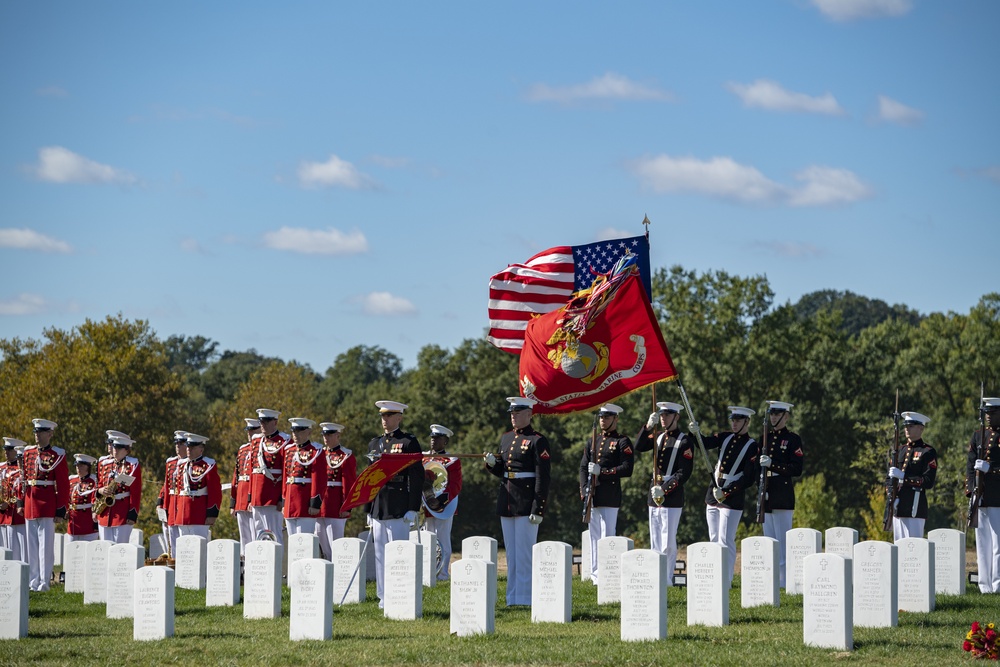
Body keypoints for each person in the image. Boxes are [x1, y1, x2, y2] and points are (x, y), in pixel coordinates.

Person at [484, 396, 551, 606]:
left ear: (529, 415)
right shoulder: (506, 438)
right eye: (512, 413)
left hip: (525, 501)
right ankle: (512, 597)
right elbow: (504, 471)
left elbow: (543, 476)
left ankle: (526, 597)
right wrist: (492, 465)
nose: (513, 417)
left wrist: (538, 507)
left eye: (518, 413)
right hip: (508, 500)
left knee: (524, 553)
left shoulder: (537, 440)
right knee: (512, 555)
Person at [692, 406, 759, 589]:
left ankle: (727, 579)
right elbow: (704, 443)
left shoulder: (752, 445)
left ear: (747, 422)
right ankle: (715, 575)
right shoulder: (725, 436)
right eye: (733, 420)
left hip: (732, 496)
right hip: (714, 491)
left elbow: (748, 478)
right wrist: (695, 433)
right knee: (713, 537)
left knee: (725, 538)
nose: (734, 423)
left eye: (738, 420)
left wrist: (727, 490)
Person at [366, 400, 422, 608]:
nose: (385, 420)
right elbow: (368, 478)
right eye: (382, 416)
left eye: (389, 416)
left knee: (398, 552)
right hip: (379, 504)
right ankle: (383, 596)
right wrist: (368, 508)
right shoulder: (374, 444)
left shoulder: (408, 442)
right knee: (380, 553)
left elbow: (416, 477)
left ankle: (400, 592)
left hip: (399, 504)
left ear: (399, 417)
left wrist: (413, 507)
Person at [634, 401, 693, 586]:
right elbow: (639, 446)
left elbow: (684, 472)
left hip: (672, 494)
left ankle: (667, 577)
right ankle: (655, 574)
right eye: (661, 415)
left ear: (676, 417)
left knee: (668, 540)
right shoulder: (658, 436)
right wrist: (647, 427)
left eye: (667, 415)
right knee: (655, 538)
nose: (663, 418)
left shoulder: (684, 440)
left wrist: (665, 488)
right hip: (654, 491)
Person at [579, 403, 634, 584]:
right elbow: (582, 467)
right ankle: (595, 574)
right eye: (602, 417)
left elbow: (627, 469)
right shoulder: (592, 441)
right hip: (593, 495)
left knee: (607, 535)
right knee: (594, 536)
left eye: (607, 417)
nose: (603, 420)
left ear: (616, 419)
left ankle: (608, 572)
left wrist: (602, 471)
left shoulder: (622, 442)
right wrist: (584, 489)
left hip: (610, 495)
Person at [20, 418, 70, 591]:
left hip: (47, 503)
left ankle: (44, 581)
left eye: (41, 432)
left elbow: (63, 484)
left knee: (45, 546)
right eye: (36, 432)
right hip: (30, 502)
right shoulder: (28, 452)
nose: (37, 435)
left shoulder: (57, 454)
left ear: (49, 434)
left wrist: (61, 508)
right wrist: (21, 501)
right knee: (31, 546)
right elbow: (23, 479)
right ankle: (33, 580)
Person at [758, 400, 804, 588]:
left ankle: (784, 582)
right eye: (772, 414)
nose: (774, 417)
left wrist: (773, 465)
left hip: (782, 492)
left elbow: (796, 469)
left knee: (783, 541)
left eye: (778, 414)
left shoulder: (793, 439)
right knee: (768, 539)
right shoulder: (764, 438)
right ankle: (771, 581)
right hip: (766, 490)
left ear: (786, 416)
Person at [422, 424, 462, 581]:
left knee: (443, 538)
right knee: (428, 537)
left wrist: (440, 502)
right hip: (426, 502)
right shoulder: (424, 458)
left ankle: (443, 573)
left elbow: (455, 485)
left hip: (443, 504)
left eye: (437, 438)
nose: (433, 441)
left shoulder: (452, 460)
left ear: (445, 441)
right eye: (432, 438)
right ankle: (430, 571)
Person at [888, 411, 937, 540]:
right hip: (898, 505)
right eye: (905, 426)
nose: (906, 429)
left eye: (911, 426)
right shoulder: (900, 450)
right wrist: (890, 495)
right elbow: (889, 478)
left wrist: (904, 478)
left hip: (914, 504)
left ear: (921, 428)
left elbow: (928, 481)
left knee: (914, 549)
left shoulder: (927, 451)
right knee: (898, 546)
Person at [968, 397, 1000, 593]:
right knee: (982, 543)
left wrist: (991, 470)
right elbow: (970, 466)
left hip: (998, 497)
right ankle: (984, 585)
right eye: (986, 414)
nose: (988, 417)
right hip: (980, 496)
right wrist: (972, 489)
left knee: (998, 544)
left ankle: (997, 584)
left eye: (993, 414)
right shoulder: (978, 436)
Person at [315, 422, 356, 561]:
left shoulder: (346, 455)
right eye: (324, 435)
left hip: (335, 505)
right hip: (320, 505)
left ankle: (339, 573)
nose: (326, 438)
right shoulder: (320, 453)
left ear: (338, 435)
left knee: (335, 543)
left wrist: (347, 506)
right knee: (322, 543)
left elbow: (349, 483)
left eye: (330, 434)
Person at [250, 408, 288, 546]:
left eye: (266, 421)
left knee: (274, 534)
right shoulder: (256, 441)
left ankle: (276, 566)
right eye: (261, 421)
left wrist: (281, 498)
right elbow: (252, 471)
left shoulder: (284, 441)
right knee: (258, 534)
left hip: (272, 496)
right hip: (256, 496)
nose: (263, 425)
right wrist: (250, 497)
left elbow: (286, 472)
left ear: (275, 422)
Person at [282, 418, 327, 537]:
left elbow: (319, 479)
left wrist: (315, 503)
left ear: (308, 432)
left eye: (300, 431)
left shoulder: (316, 451)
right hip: (290, 503)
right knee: (292, 542)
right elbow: (286, 478)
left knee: (304, 541)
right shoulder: (288, 450)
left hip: (305, 502)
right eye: (294, 432)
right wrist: (284, 501)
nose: (296, 435)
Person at [95, 434, 142, 544]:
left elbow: (135, 491)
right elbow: (98, 485)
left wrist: (132, 512)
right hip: (105, 511)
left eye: (118, 448)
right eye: (114, 447)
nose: (115, 450)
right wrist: (100, 491)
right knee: (105, 547)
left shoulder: (132, 464)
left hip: (122, 512)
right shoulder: (104, 463)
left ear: (126, 450)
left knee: (120, 547)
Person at [174, 433, 222, 539]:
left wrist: (212, 514)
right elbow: (178, 490)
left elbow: (215, 491)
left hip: (198, 513)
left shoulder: (208, 465)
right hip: (182, 512)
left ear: (201, 448)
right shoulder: (182, 465)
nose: (188, 449)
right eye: (188, 446)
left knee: (199, 546)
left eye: (192, 446)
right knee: (184, 548)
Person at [231, 417, 260, 556]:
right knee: (244, 537)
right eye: (248, 430)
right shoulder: (243, 449)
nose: (250, 433)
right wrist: (233, 502)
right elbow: (235, 476)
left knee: (255, 535)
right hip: (241, 497)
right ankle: (244, 567)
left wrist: (251, 499)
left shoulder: (261, 447)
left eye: (253, 430)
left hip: (252, 495)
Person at [157, 431, 188, 557]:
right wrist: (160, 502)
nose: (177, 446)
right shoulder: (171, 463)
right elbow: (166, 485)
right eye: (176, 444)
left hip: (182, 504)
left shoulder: (190, 462)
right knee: (170, 539)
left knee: (182, 538)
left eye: (181, 444)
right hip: (170, 504)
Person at [0, 438, 27, 561]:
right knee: (5, 550)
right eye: (5, 449)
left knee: (22, 551)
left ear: (16, 451)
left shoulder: (21, 469)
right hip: (3, 515)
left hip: (18, 514)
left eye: (10, 450)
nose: (6, 452)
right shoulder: (1, 468)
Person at [66, 454, 99, 542]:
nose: (78, 468)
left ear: (88, 467)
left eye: (81, 466)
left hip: (87, 522)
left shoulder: (94, 481)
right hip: (73, 522)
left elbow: (96, 501)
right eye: (77, 466)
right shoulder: (72, 480)